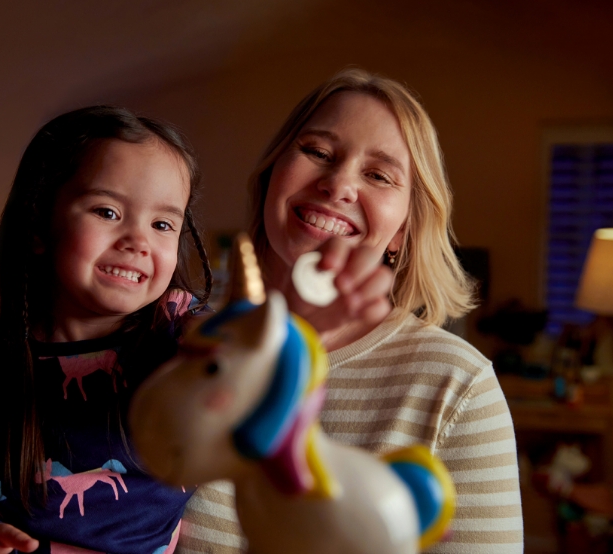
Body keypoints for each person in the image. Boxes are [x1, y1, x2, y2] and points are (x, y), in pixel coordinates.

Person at [176, 68, 523, 553]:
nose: (338, 183)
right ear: (273, 174)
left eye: (378, 175)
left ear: (402, 232)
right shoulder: (180, 336)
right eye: (317, 152)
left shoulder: (458, 385)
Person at [0, 106, 213, 554]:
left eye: (162, 224)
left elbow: (248, 362)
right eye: (107, 211)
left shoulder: (182, 334)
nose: (138, 240)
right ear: (40, 225)